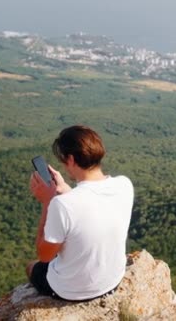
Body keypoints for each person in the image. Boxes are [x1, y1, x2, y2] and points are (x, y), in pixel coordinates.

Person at [26, 125, 134, 301]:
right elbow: (92, 206)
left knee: (32, 267)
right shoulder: (124, 184)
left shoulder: (61, 205)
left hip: (72, 292)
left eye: (62, 160)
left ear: (70, 159)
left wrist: (47, 201)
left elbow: (44, 255)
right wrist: (66, 190)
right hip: (113, 280)